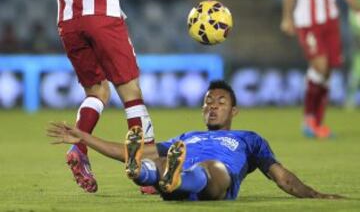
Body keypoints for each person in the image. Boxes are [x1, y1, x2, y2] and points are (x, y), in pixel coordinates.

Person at [47, 80, 343, 200]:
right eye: (208, 101)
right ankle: (145, 174)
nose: (212, 105)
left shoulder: (249, 139)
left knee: (211, 168)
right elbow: (129, 150)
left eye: (220, 102)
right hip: (177, 180)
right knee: (152, 159)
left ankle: (159, 177)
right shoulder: (186, 138)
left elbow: (283, 178)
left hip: (214, 180)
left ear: (234, 110)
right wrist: (84, 136)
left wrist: (314, 194)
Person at [52, 0, 155, 194]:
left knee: (97, 91)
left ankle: (79, 148)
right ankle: (147, 169)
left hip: (68, 21)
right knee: (131, 92)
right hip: (101, 12)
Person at [280, 0, 360, 138]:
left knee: (327, 71)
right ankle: (309, 119)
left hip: (331, 21)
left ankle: (316, 122)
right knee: (321, 66)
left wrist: (357, 9)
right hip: (308, 21)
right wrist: (287, 17)